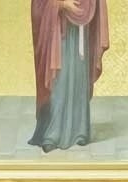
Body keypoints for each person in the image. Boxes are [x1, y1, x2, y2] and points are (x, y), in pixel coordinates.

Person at [29, 0, 110, 154]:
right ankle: (52, 133)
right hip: (57, 29)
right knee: (59, 80)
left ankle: (80, 129)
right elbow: (39, 4)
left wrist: (85, 6)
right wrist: (60, 4)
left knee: (79, 76)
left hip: (81, 25)